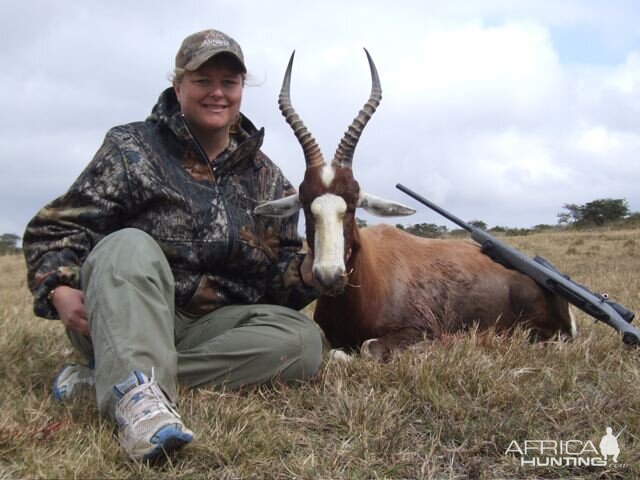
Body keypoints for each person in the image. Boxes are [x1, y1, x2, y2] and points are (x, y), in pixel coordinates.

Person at [23, 29, 322, 462]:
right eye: (203, 81)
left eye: (229, 82)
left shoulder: (268, 178)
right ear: (178, 85)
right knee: (127, 244)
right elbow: (53, 230)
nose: (217, 93)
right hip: (125, 314)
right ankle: (138, 408)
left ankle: (111, 375)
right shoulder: (131, 148)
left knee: (303, 342)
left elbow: (276, 284)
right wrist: (59, 288)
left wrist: (309, 272)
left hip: (211, 327)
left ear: (241, 90)